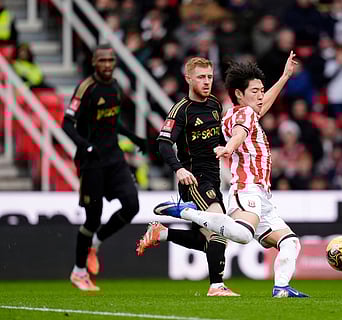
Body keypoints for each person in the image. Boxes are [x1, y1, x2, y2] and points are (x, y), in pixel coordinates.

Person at [151, 52, 309, 298]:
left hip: (258, 194)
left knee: (289, 242)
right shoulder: (235, 113)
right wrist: (229, 147)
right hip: (243, 187)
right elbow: (239, 132)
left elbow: (260, 106)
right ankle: (184, 215)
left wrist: (285, 76)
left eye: (209, 76)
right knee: (239, 234)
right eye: (255, 90)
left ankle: (281, 288)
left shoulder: (220, 107)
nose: (260, 95)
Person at [136, 57, 239, 297]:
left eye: (210, 77)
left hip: (213, 178)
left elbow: (218, 138)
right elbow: (162, 143)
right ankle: (216, 286)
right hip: (194, 179)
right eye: (201, 77)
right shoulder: (181, 110)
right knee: (221, 228)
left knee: (206, 239)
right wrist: (179, 169)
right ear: (188, 79)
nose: (206, 82)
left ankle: (162, 233)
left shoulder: (214, 104)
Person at [62, 44, 147, 291]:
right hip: (92, 163)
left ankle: (96, 243)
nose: (107, 64)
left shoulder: (115, 87)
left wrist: (133, 137)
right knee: (92, 217)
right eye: (102, 60)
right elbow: (66, 123)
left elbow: (113, 121)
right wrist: (84, 145)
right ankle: (78, 272)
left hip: (115, 158)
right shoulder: (86, 88)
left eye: (111, 60)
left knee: (132, 205)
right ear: (93, 62)